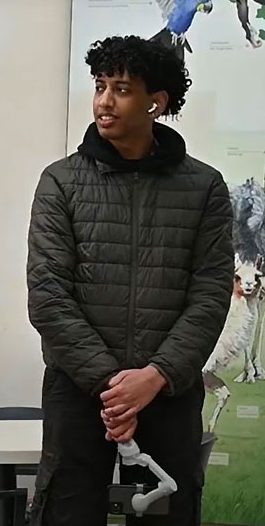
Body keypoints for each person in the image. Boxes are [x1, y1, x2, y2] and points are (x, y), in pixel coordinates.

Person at [27, 35, 234, 525]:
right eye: (100, 86)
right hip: (80, 396)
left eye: (120, 89)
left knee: (170, 513)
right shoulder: (61, 181)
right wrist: (113, 387)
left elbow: (209, 296)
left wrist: (155, 376)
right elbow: (49, 296)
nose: (103, 100)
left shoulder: (204, 187)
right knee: (67, 513)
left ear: (155, 102)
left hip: (168, 392)